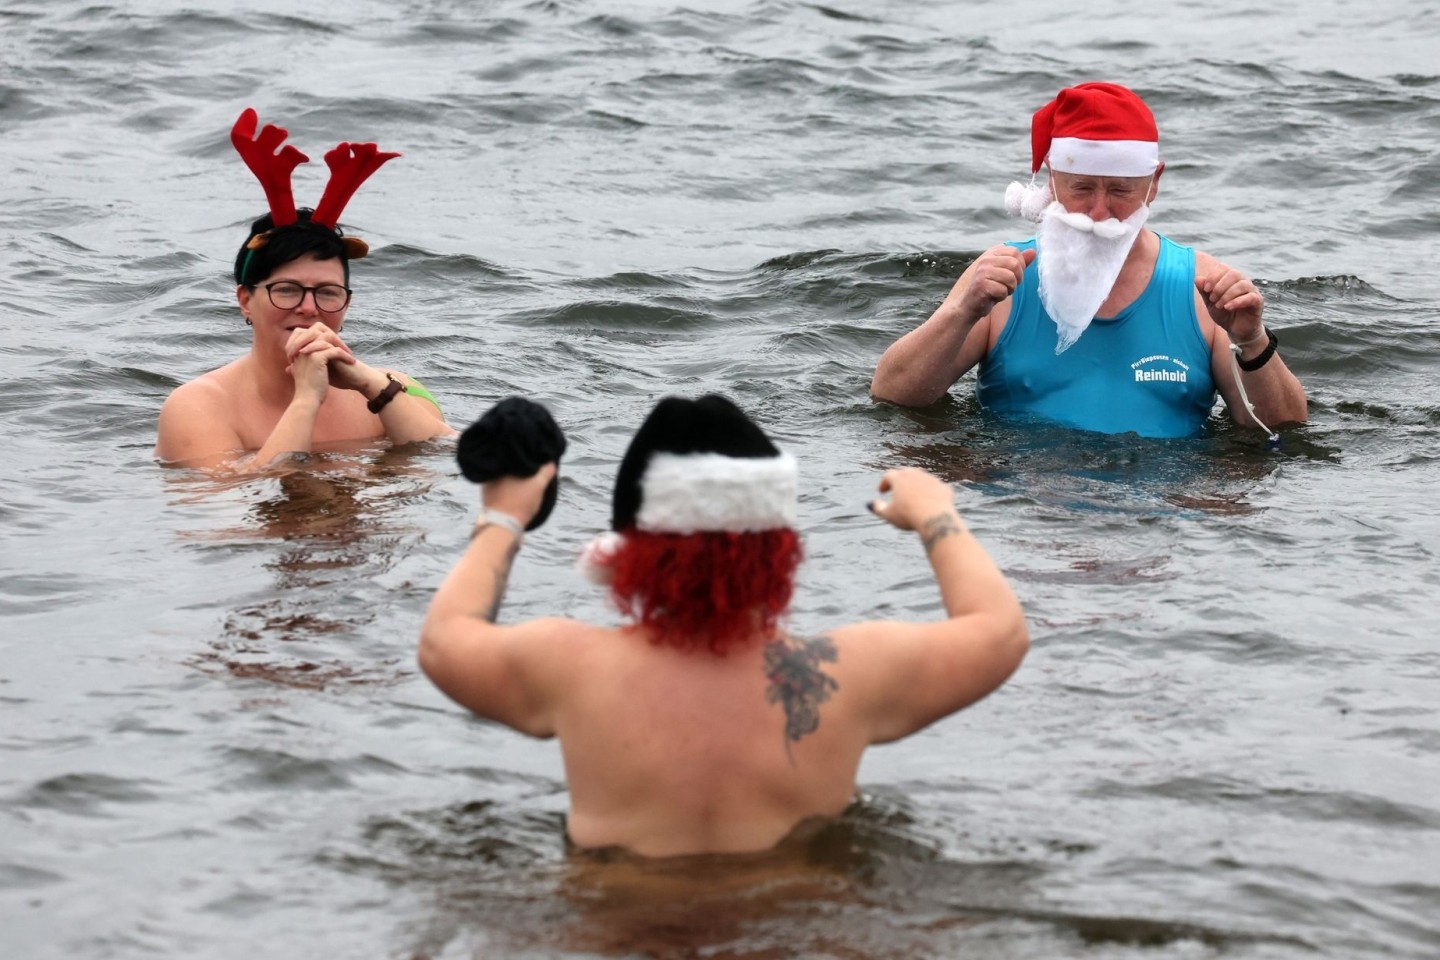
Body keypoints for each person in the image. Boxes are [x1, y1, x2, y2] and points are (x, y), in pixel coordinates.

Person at [418, 394, 1028, 858]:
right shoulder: (848, 674)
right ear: (781, 547)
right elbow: (999, 631)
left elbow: (445, 640)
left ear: (624, 549)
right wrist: (937, 517)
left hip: (615, 930)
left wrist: (503, 518)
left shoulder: (568, 666)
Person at [871, 82, 1307, 439]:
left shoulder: (1204, 288)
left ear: (1153, 184)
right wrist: (960, 313)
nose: (1099, 212)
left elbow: (1283, 431)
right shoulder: (1003, 282)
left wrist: (1251, 341)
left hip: (1159, 512)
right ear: (1051, 182)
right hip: (1029, 508)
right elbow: (892, 396)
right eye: (1082, 188)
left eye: (1120, 190)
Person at [155, 108, 453, 471]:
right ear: (245, 300)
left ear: (347, 303)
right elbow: (231, 507)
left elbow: (455, 457)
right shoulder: (196, 406)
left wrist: (372, 387)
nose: (309, 308)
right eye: (287, 289)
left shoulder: (392, 389)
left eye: (328, 292)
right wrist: (306, 399)